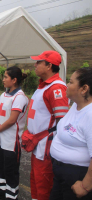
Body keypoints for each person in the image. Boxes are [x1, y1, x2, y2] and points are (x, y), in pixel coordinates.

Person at [25, 50, 69, 200]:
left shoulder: (56, 88)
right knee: (36, 181)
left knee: (44, 184)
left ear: (49, 65)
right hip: (37, 143)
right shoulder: (43, 86)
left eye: (38, 62)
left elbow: (62, 120)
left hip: (46, 147)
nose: (35, 65)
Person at [49, 67, 92, 200]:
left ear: (84, 89)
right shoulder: (75, 105)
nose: (67, 85)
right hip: (62, 174)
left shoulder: (90, 114)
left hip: (77, 177)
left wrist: (85, 185)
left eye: (71, 82)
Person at [0, 66, 29, 200]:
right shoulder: (5, 95)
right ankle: (1, 189)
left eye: (6, 77)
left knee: (11, 169)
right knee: (0, 165)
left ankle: (11, 194)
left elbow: (12, 120)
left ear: (14, 80)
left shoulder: (20, 97)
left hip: (11, 140)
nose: (3, 79)